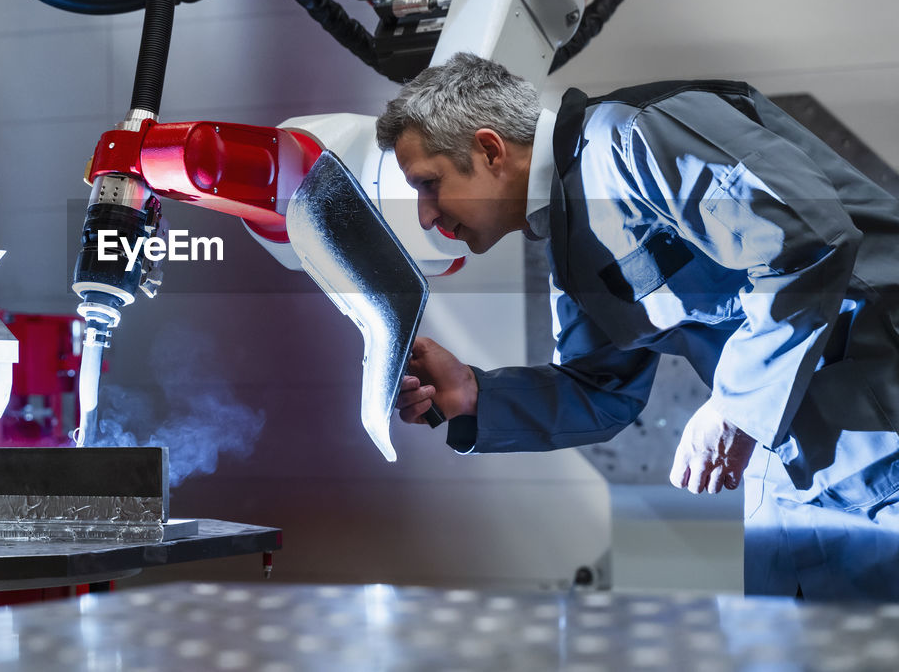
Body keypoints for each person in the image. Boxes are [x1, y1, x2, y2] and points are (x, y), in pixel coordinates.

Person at [377, 52, 899, 601]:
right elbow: (604, 391)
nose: (426, 216)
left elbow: (809, 241)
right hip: (788, 463)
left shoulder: (637, 136)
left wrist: (733, 404)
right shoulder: (570, 237)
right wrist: (473, 394)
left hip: (876, 418)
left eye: (428, 184)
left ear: (489, 149)